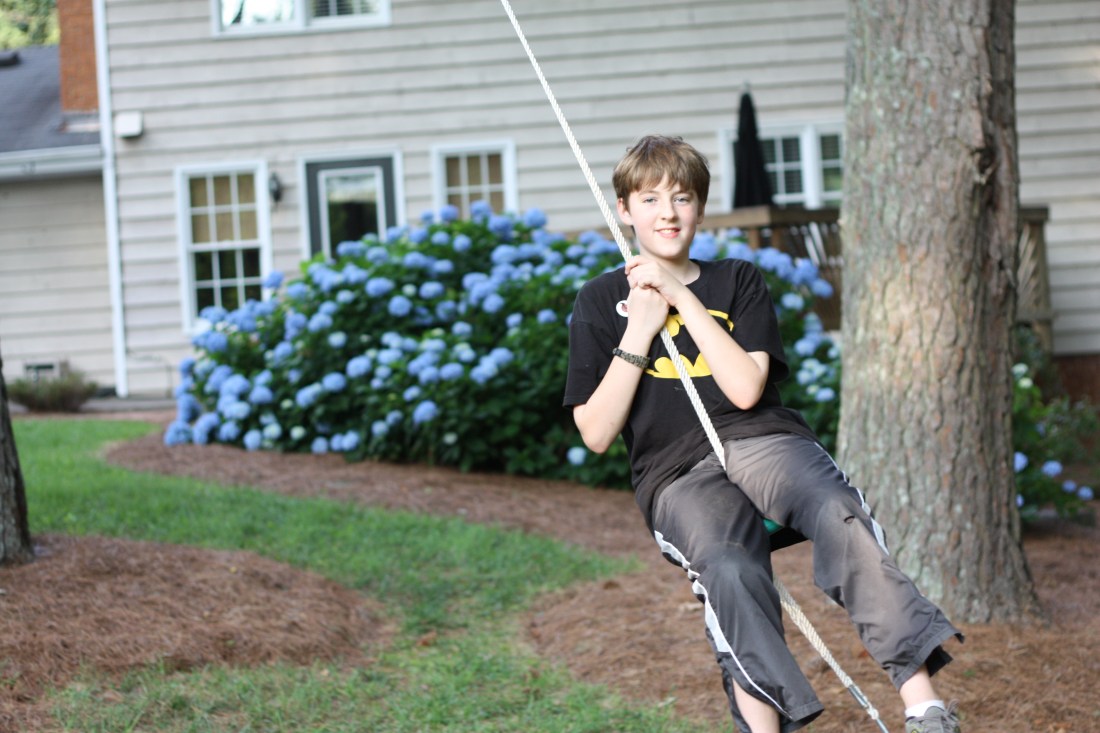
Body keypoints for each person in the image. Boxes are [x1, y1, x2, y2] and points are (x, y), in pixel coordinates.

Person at [563, 135, 964, 733]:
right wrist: (640, 331)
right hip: (676, 474)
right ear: (624, 210)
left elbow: (747, 389)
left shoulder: (737, 281)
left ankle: (924, 706)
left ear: (700, 206)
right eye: (649, 199)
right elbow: (595, 433)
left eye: (681, 197)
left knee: (837, 511)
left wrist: (680, 298)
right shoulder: (599, 301)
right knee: (727, 568)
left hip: (764, 443)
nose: (667, 213)